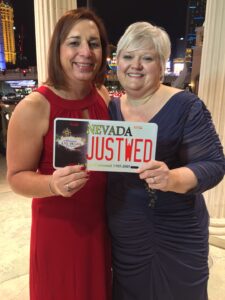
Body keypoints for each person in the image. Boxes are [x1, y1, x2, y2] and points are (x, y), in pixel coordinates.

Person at [107, 21, 225, 300]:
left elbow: (213, 164)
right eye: (128, 56)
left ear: (161, 66)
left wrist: (172, 178)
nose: (135, 65)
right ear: (117, 62)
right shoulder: (109, 108)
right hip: (126, 230)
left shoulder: (186, 106)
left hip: (177, 230)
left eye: (147, 58)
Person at [6, 8, 111, 300]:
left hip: (102, 225)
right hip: (60, 230)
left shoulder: (101, 95)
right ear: (58, 48)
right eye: (74, 42)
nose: (86, 52)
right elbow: (16, 177)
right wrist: (52, 184)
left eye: (94, 43)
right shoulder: (34, 107)